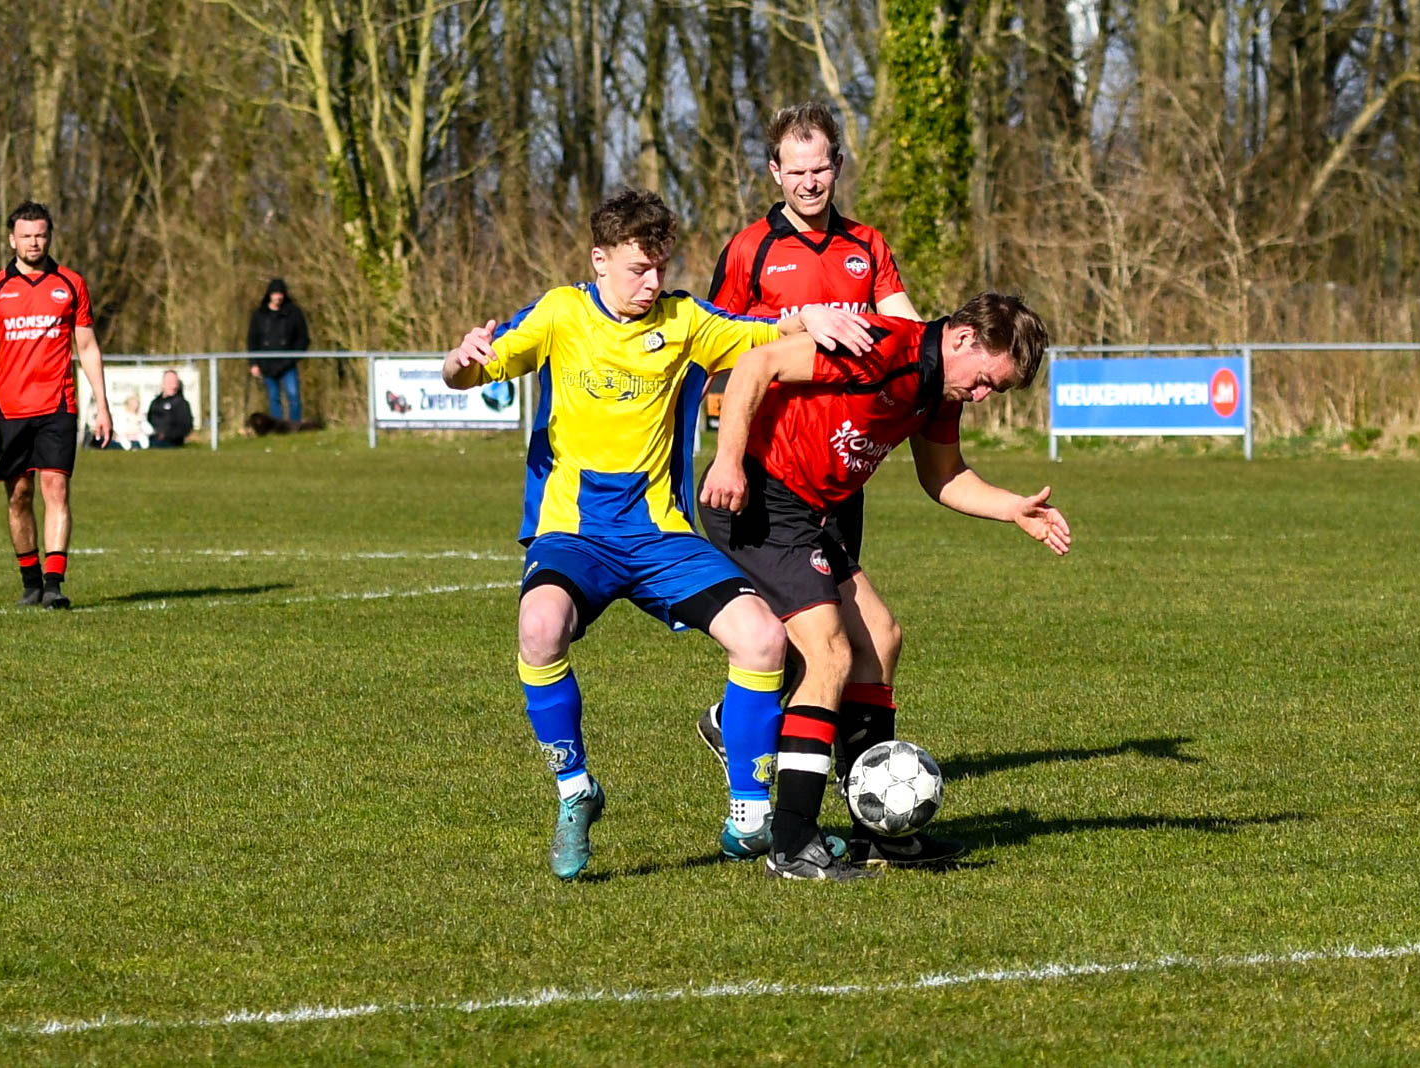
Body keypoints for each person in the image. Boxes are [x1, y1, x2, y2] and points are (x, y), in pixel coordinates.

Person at [442, 187, 873, 880]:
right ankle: (575, 791)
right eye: (638, 268)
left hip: (661, 536)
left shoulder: (685, 320)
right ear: (600, 260)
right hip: (573, 535)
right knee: (539, 627)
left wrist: (811, 316)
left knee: (763, 638)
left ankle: (749, 814)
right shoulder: (559, 313)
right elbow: (470, 372)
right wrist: (460, 358)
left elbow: (762, 333)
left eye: (661, 268)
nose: (652, 283)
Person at [698, 292, 1071, 880]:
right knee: (829, 653)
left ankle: (876, 833)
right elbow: (756, 364)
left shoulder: (938, 391)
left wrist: (1012, 508)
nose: (981, 396)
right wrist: (727, 460)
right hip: (759, 501)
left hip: (808, 514)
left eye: (993, 391)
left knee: (880, 638)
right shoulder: (881, 346)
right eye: (984, 382)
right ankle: (792, 841)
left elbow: (943, 475)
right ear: (964, 338)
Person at [697, 101, 920, 822]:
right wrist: (795, 325)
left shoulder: (867, 245)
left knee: (838, 638)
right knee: (814, 637)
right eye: (796, 171)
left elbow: (908, 327)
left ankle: (764, 741)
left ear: (838, 166)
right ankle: (792, 784)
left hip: (840, 470)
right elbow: (716, 341)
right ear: (774, 171)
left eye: (820, 168)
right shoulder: (750, 249)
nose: (809, 182)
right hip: (772, 471)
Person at [0, 200, 111, 610]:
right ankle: (31, 582)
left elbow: (87, 347)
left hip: (58, 403)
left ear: (50, 237)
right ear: (12, 240)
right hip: (10, 409)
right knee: (19, 495)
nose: (33, 242)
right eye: (26, 236)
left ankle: (54, 583)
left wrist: (102, 404)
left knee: (55, 486)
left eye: (40, 235)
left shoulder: (71, 284)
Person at [247, 278, 310, 424]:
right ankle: (278, 427)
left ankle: (295, 426)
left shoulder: (294, 313)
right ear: (270, 294)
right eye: (275, 293)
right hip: (266, 364)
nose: (278, 297)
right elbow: (252, 340)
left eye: (280, 293)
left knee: (293, 396)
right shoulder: (259, 315)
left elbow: (303, 338)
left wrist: (294, 356)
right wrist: (253, 363)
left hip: (288, 364)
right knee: (273, 397)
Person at [147, 369, 194, 447]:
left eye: (175, 383)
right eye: (170, 383)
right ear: (163, 383)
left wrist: (166, 435)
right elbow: (149, 420)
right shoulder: (155, 402)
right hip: (151, 439)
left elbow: (186, 427)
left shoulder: (181, 404)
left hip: (171, 443)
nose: (173, 386)